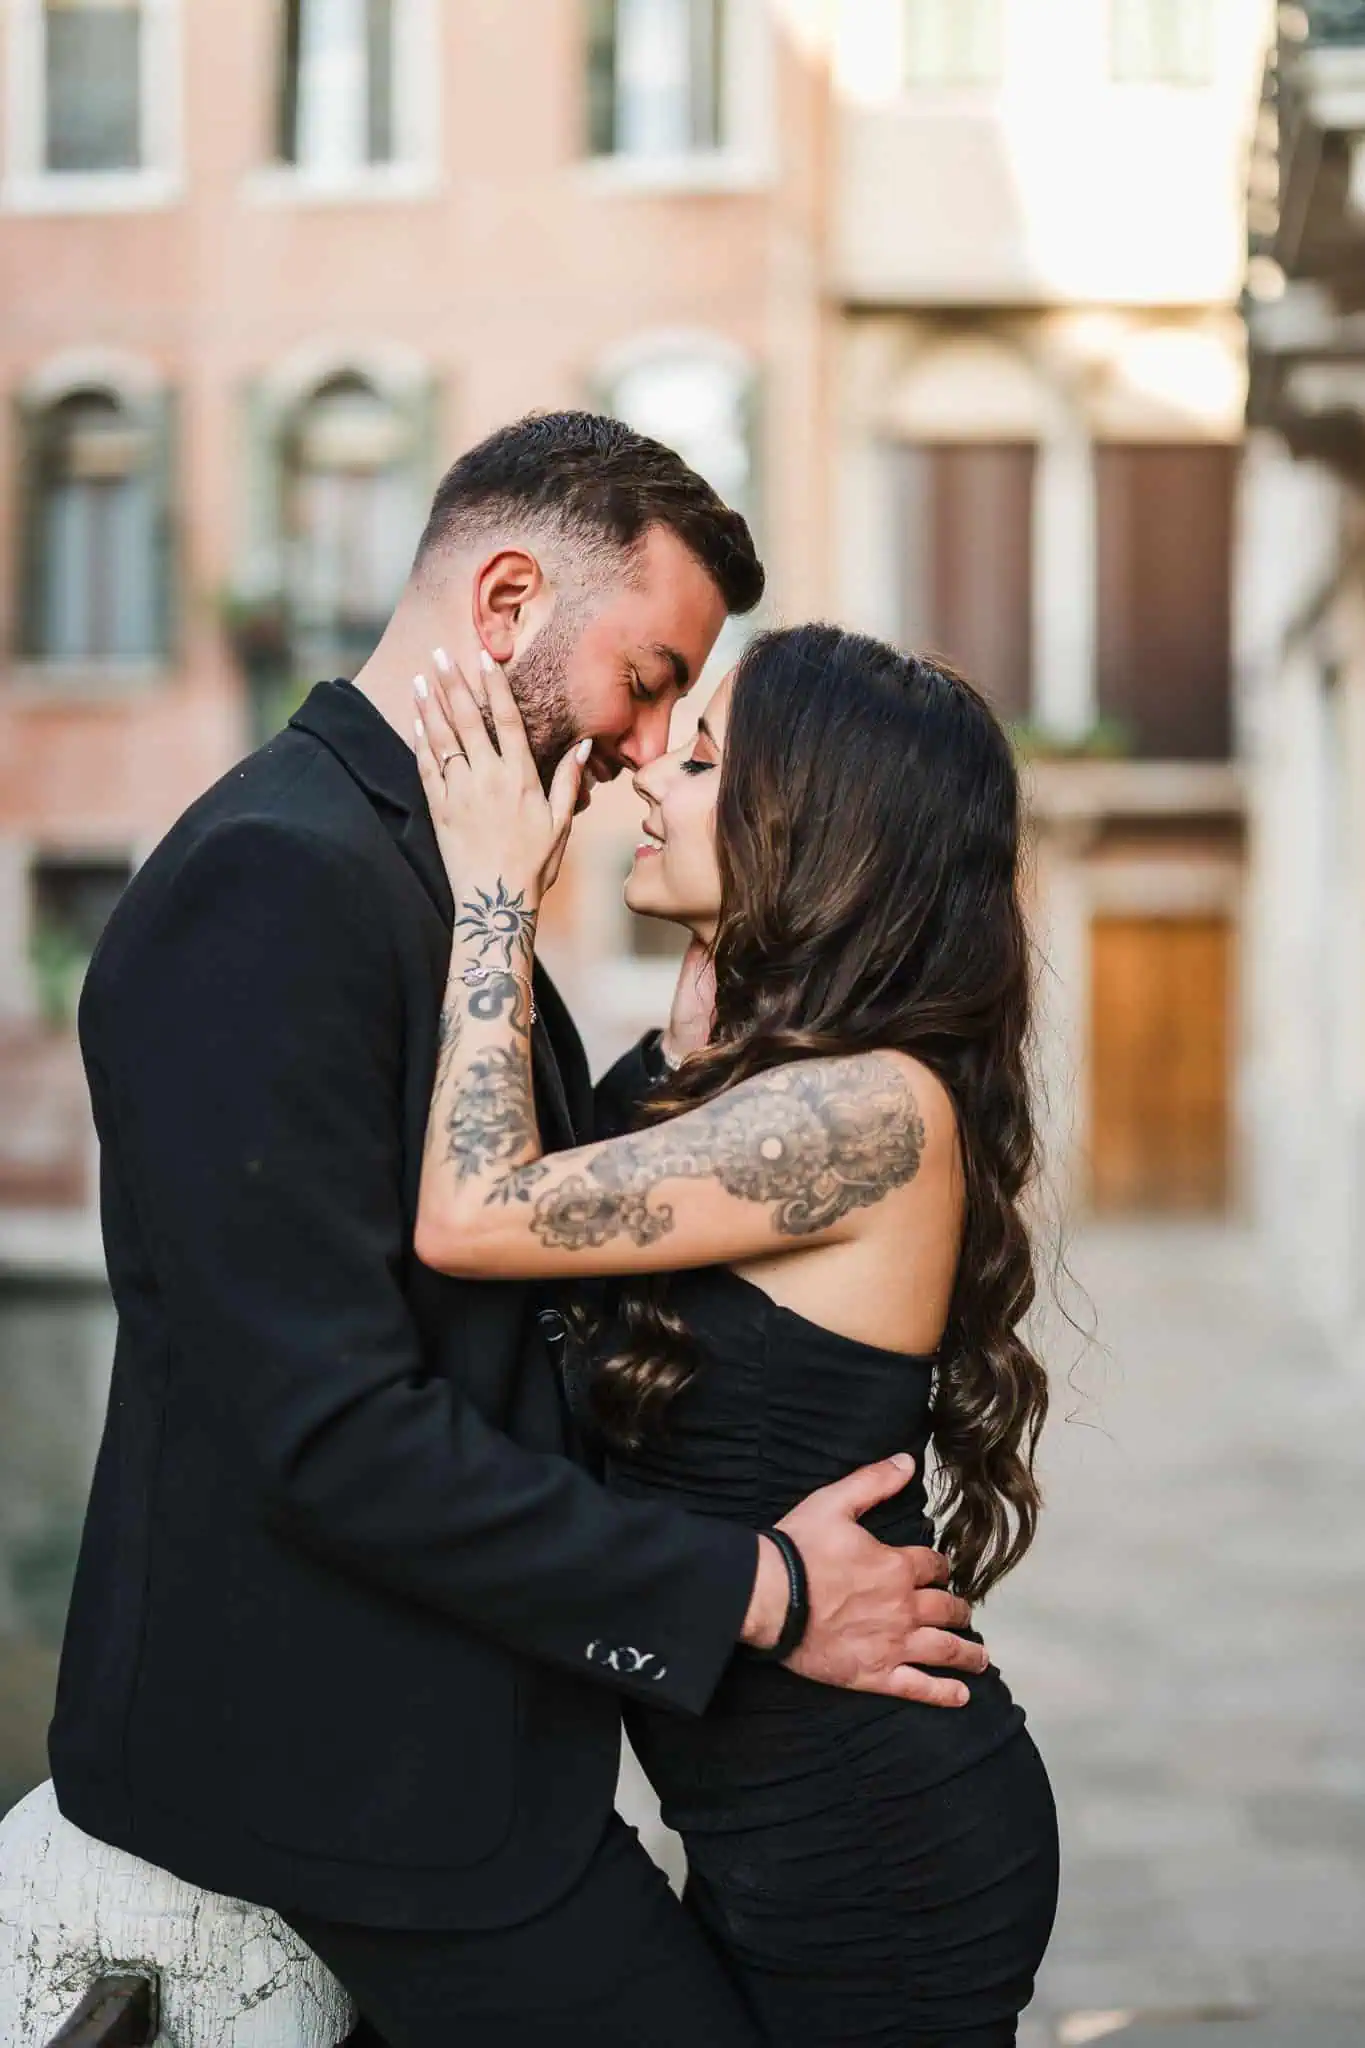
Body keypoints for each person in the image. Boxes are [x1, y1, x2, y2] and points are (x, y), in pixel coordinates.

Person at [50, 414, 986, 2048]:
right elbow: (331, 1427)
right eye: (651, 680)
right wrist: (757, 1588)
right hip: (346, 1777)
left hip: (487, 1764)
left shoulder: (435, 874)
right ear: (505, 605)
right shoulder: (277, 878)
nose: (649, 746)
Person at [409, 621, 1060, 2047]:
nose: (652, 773)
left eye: (702, 759)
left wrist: (494, 898)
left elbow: (473, 1212)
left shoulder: (865, 1112)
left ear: (812, 828)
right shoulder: (761, 1086)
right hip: (781, 1822)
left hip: (878, 1848)